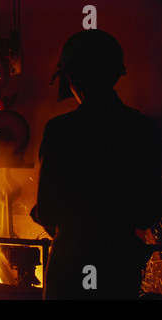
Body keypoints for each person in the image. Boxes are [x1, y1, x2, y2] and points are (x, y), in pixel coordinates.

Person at [30, 29, 162, 299]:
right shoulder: (142, 129)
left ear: (73, 77)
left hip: (70, 271)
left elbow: (47, 211)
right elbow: (149, 212)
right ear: (115, 73)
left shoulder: (60, 131)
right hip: (118, 271)